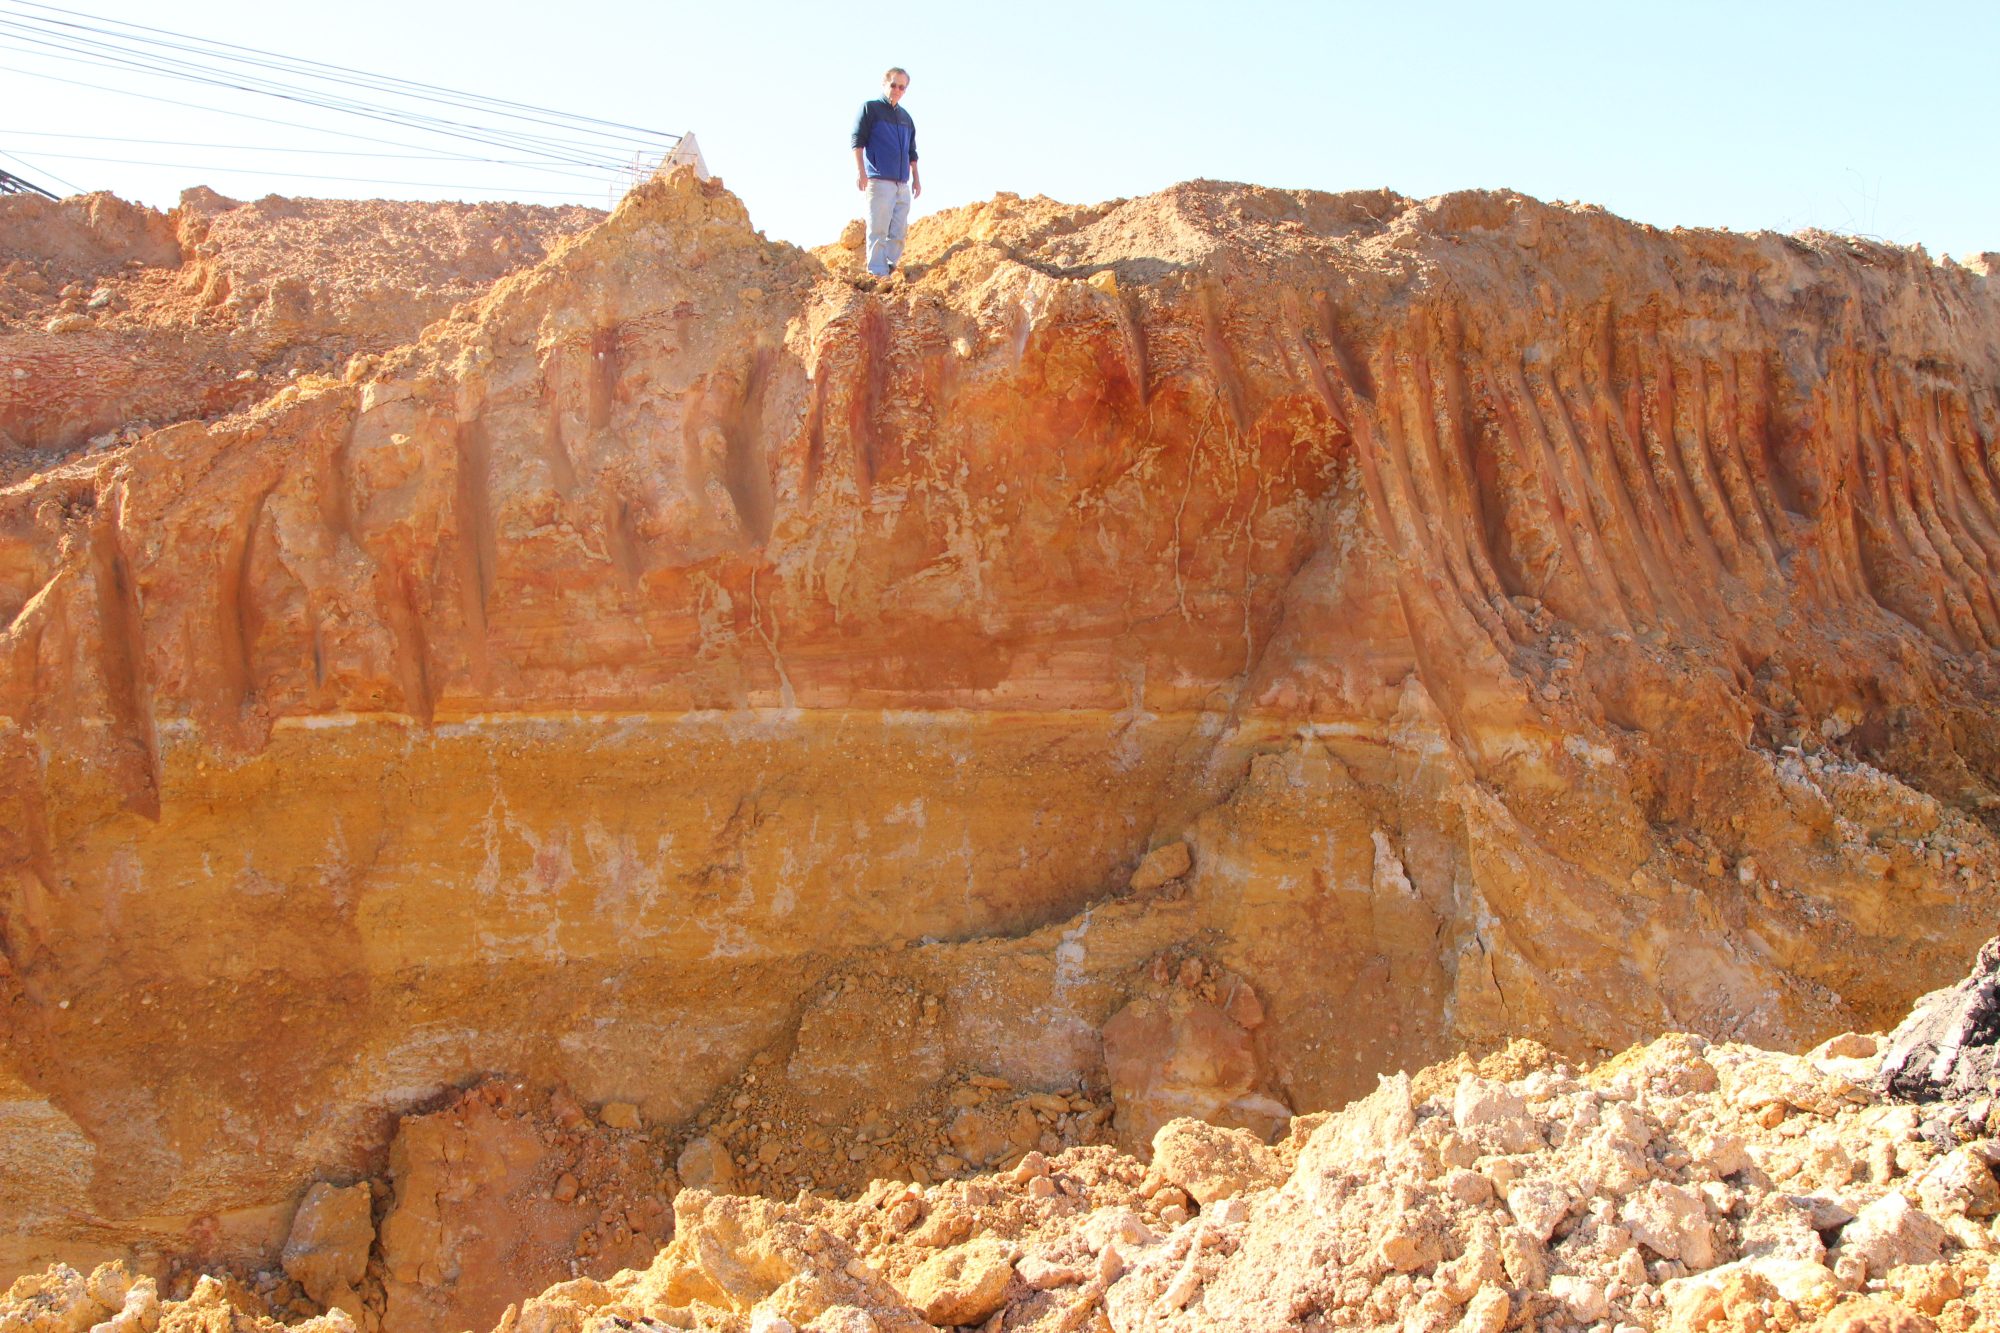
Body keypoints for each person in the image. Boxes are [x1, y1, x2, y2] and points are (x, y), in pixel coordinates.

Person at [851, 67, 921, 278]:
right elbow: (857, 141)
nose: (897, 90)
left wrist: (916, 179)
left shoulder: (906, 118)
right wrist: (861, 171)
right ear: (884, 84)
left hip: (902, 183)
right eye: (894, 85)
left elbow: (912, 152)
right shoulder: (870, 109)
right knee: (878, 228)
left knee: (899, 230)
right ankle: (877, 273)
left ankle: (889, 267)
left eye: (902, 87)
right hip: (879, 179)